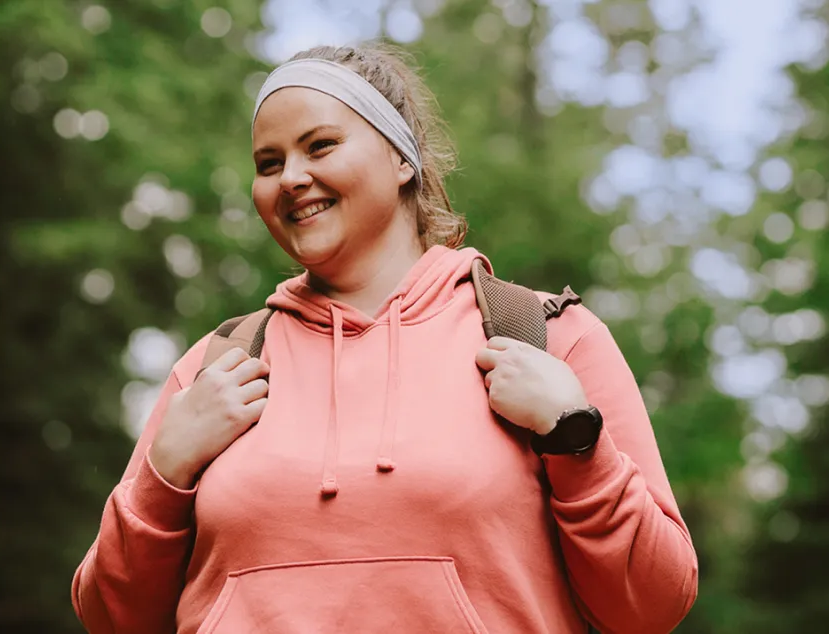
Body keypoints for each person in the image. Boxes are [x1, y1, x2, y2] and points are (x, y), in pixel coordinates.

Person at [72, 42, 698, 634]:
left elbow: (653, 604)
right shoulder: (218, 367)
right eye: (269, 163)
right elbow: (111, 617)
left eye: (320, 146)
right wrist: (166, 472)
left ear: (403, 160)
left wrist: (574, 438)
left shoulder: (545, 337)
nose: (290, 177)